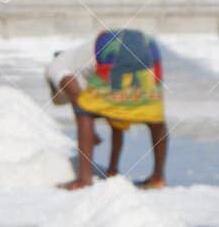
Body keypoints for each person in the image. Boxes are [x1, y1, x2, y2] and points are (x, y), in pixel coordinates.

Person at [46, 28, 168, 191]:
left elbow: (73, 92)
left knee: (84, 111)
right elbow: (115, 119)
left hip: (112, 46)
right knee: (152, 112)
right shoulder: (82, 65)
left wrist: (88, 131)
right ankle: (158, 177)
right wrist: (112, 169)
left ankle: (84, 179)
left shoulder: (55, 66)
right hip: (147, 44)